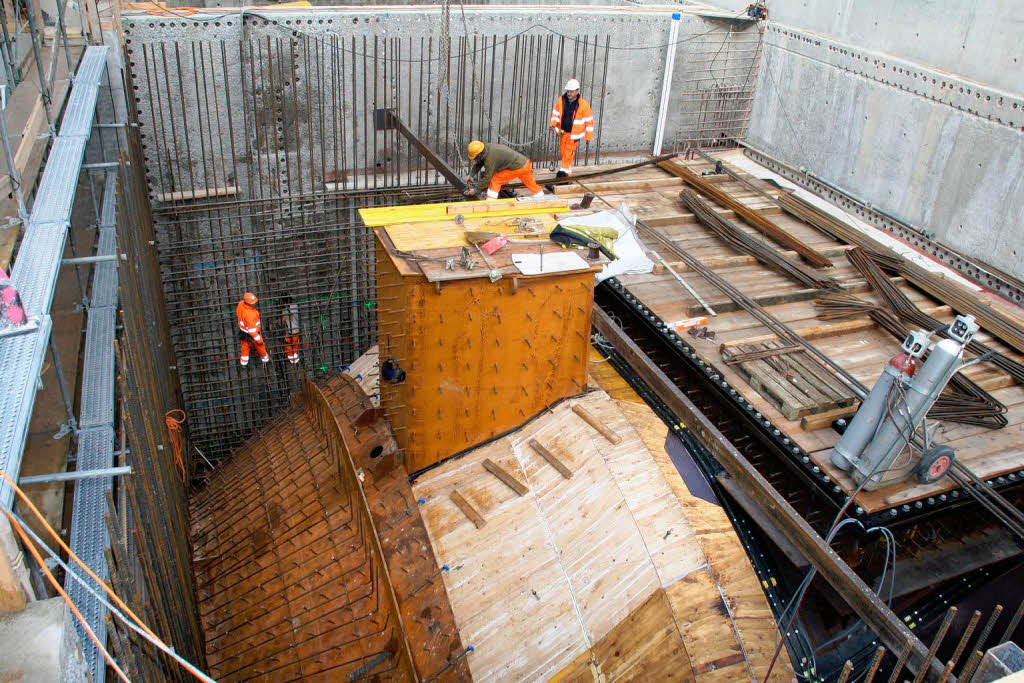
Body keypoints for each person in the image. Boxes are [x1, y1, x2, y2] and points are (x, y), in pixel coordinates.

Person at [464, 140, 546, 200]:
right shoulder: (486, 148)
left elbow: (487, 178)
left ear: (479, 154)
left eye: (475, 157)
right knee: (530, 183)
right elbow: (480, 162)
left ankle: (490, 202)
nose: (475, 159)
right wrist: (470, 174)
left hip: (517, 167)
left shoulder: (490, 158)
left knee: (495, 180)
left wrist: (475, 190)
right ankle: (541, 197)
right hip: (525, 164)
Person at [549, 78, 595, 177]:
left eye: (571, 91)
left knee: (568, 153)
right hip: (562, 132)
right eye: (568, 91)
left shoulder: (583, 105)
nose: (569, 93)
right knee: (563, 152)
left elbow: (589, 122)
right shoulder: (561, 101)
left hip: (574, 135)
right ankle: (568, 173)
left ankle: (562, 172)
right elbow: (556, 114)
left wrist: (588, 136)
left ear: (577, 91)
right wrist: (553, 123)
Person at [236, 292, 269, 366]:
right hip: (252, 334)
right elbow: (252, 331)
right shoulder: (250, 314)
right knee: (260, 346)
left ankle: (243, 363)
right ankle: (265, 359)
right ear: (248, 303)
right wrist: (259, 340)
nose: (254, 304)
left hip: (243, 332)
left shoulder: (241, 304)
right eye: (252, 303)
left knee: (245, 347)